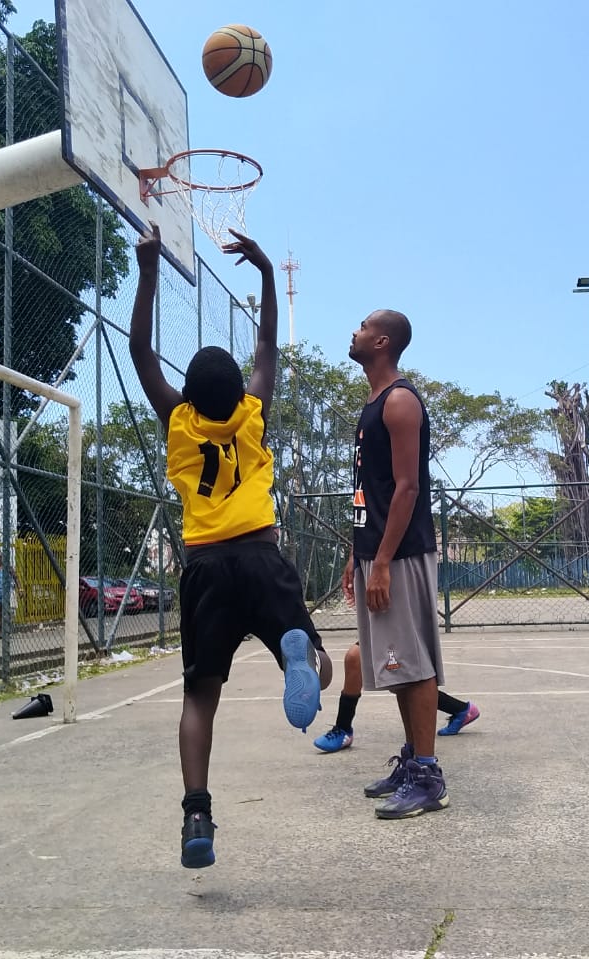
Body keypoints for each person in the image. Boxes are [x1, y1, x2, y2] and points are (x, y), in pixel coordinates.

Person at [129, 223, 332, 869]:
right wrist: (267, 272)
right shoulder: (253, 411)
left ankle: (196, 810)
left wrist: (149, 269)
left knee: (198, 697)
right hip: (262, 555)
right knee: (322, 663)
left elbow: (138, 349)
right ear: (237, 390)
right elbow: (268, 342)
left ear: (187, 394)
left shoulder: (178, 420)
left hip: (206, 566)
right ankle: (300, 658)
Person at [342, 309, 450, 819]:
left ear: (382, 341)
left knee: (413, 663)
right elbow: (368, 490)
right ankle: (412, 762)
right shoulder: (370, 405)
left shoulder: (400, 401)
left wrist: (382, 559)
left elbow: (408, 488)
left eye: (362, 326)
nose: (354, 331)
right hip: (375, 550)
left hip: (400, 554)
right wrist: (356, 552)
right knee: (397, 664)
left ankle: (428, 776)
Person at [312, 641, 479, 752]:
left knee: (401, 679)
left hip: (397, 612)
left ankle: (423, 764)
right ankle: (343, 728)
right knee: (356, 659)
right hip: (379, 614)